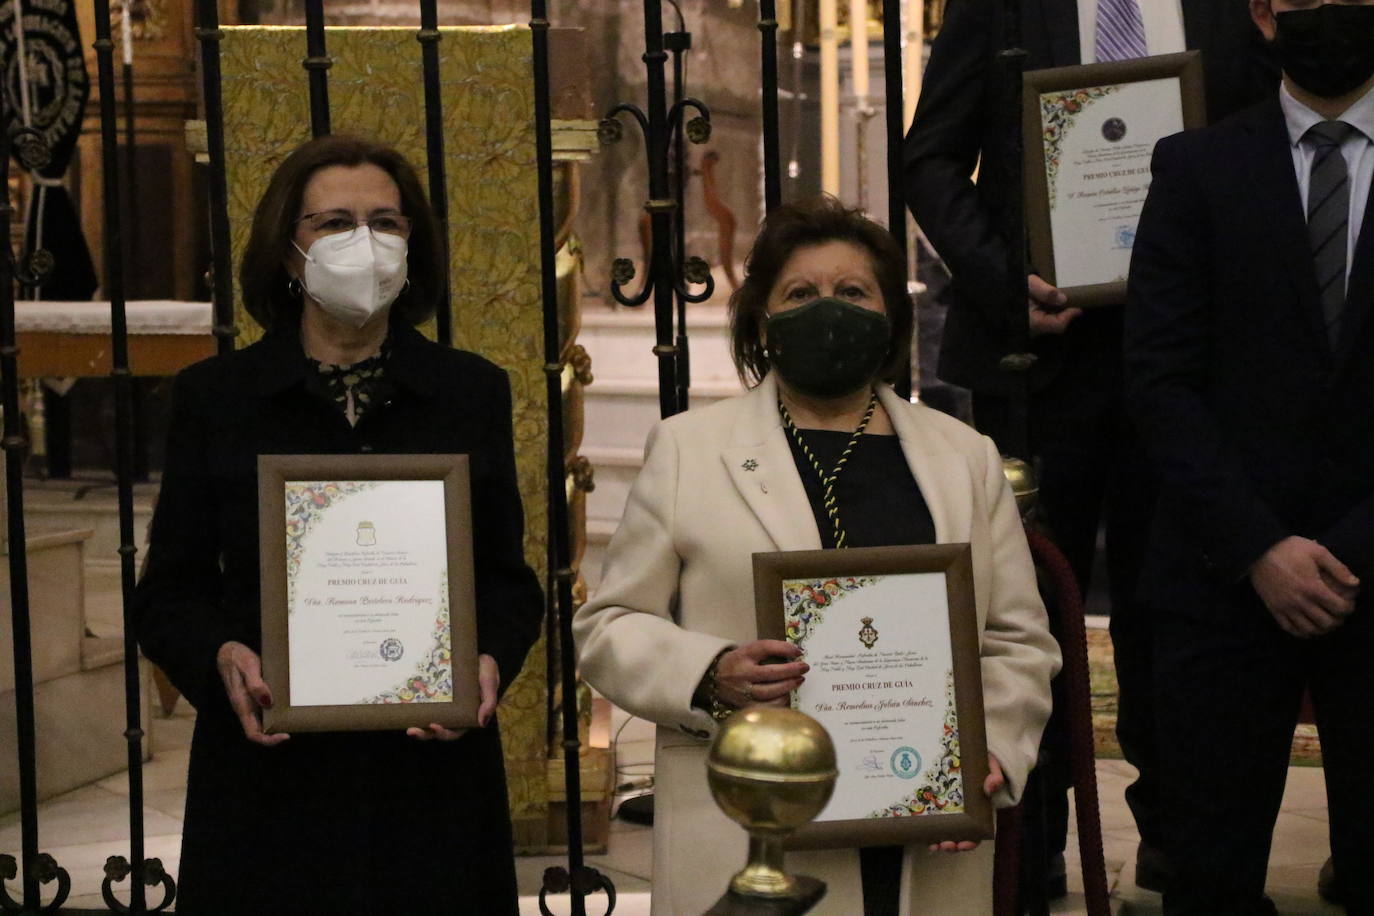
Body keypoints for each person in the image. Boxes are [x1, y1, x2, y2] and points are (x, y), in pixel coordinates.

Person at [573, 197, 1060, 915]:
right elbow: (608, 628)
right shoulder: (689, 450)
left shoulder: (965, 458)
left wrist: (988, 752)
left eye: (852, 292)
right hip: (750, 818)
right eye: (800, 294)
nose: (827, 309)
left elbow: (1018, 640)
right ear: (762, 320)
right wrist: (710, 673)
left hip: (922, 821)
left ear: (889, 315)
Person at [903, 0, 1278, 892]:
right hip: (1039, 361)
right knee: (1027, 601)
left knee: (1189, 605)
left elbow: (1275, 140)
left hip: (1199, 362)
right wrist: (1002, 279)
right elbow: (930, 157)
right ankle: (1028, 846)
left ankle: (1183, 842)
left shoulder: (1237, 10)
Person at [133, 135, 543, 914]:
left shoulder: (469, 393)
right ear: (290, 255)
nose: (365, 243)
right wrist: (220, 656)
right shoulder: (217, 398)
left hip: (431, 780)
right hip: (272, 782)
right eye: (334, 223)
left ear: (411, 244)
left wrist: (489, 657)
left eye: (386, 222)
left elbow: (507, 581)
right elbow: (170, 593)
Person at [1125, 0, 1374, 911]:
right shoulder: (1196, 166)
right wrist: (1260, 548)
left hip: (1373, 564)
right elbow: (1159, 380)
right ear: (1266, 16)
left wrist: (1350, 550)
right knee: (1210, 879)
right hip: (1221, 578)